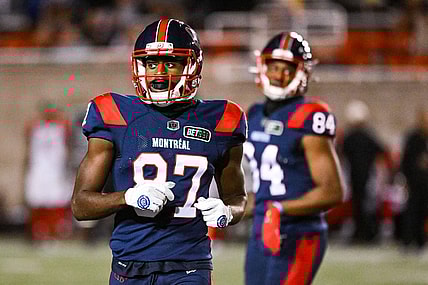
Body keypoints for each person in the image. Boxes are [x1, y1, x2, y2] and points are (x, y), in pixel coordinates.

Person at [71, 18, 248, 285]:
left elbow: (237, 198)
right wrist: (127, 197)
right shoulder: (113, 113)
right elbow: (81, 205)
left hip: (190, 265)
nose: (158, 73)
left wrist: (227, 211)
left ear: (191, 66)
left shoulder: (223, 119)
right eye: (151, 63)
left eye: (171, 63)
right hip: (129, 264)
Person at [244, 32, 345, 285]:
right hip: (261, 230)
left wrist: (280, 209)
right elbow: (264, 190)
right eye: (273, 67)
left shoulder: (310, 115)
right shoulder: (254, 114)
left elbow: (332, 191)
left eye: (287, 69)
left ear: (302, 72)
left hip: (298, 232)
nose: (278, 75)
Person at [23, 100, 73, 242]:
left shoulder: (61, 126)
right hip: (38, 168)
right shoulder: (34, 126)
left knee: (57, 200)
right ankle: (38, 233)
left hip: (56, 169)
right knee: (36, 200)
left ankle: (55, 233)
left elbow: (67, 129)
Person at [342, 99, 389, 244]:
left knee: (359, 205)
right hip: (367, 176)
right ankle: (369, 233)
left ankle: (361, 232)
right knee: (368, 205)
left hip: (355, 177)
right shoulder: (367, 136)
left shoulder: (348, 137)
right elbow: (382, 151)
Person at [400, 108, 428, 252]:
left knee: (423, 211)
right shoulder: (414, 138)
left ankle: (420, 240)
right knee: (412, 211)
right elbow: (406, 161)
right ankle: (407, 240)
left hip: (425, 183)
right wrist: (406, 179)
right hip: (415, 182)